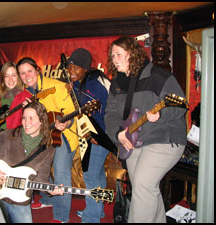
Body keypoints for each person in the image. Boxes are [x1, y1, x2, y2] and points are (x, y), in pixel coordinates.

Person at [105, 36, 187, 223]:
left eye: (119, 54)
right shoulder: (116, 84)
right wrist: (118, 134)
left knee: (143, 184)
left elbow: (180, 105)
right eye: (112, 56)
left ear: (132, 55)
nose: (114, 59)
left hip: (164, 139)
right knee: (145, 188)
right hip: (134, 141)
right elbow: (110, 114)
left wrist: (161, 114)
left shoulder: (159, 77)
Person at [0, 101, 63, 223]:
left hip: (20, 200)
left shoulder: (48, 148)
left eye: (31, 118)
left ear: (42, 121)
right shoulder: (8, 135)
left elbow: (41, 177)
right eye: (24, 118)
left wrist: (50, 190)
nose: (26, 123)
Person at [16, 57, 78, 223]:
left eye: (29, 71)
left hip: (63, 135)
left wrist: (65, 122)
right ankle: (50, 198)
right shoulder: (27, 93)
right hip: (44, 136)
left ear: (37, 70)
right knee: (33, 167)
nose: (27, 76)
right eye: (22, 73)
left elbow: (71, 111)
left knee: (60, 174)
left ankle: (61, 216)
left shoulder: (56, 86)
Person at [66, 48, 111, 222]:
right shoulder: (79, 81)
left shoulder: (97, 83)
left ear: (85, 68)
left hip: (102, 134)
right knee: (98, 173)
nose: (71, 71)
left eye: (76, 68)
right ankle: (97, 211)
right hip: (90, 134)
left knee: (91, 175)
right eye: (70, 67)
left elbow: (109, 111)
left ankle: (91, 218)